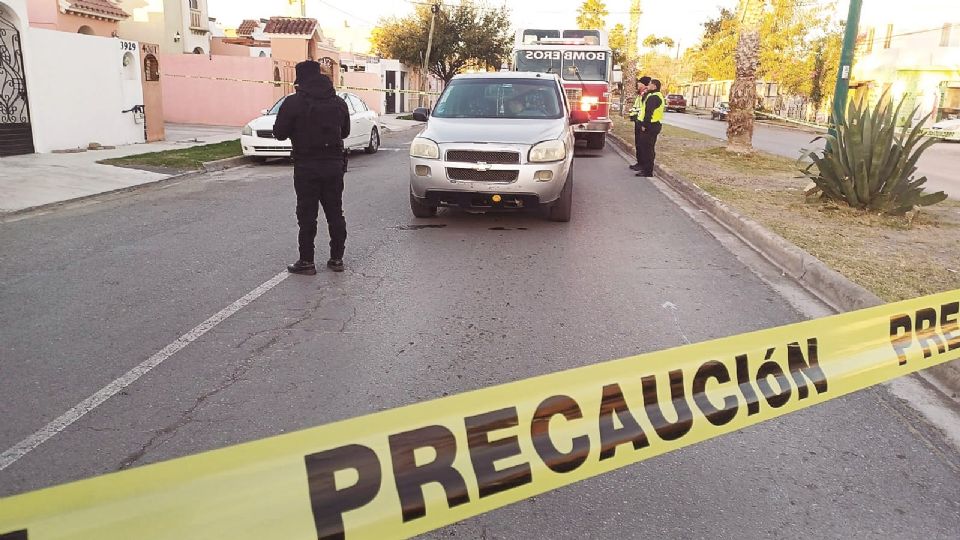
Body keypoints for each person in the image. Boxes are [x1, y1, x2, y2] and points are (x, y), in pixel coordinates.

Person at [273, 61, 351, 275]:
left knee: (307, 215)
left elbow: (279, 133)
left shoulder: (293, 103)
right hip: (333, 165)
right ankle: (337, 259)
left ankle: (307, 261)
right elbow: (345, 132)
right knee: (335, 212)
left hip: (306, 165)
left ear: (300, 80)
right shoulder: (338, 103)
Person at [635, 78, 665, 178]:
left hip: (651, 126)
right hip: (654, 125)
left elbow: (649, 113)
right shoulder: (655, 95)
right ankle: (646, 169)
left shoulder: (654, 97)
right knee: (646, 148)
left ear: (654, 86)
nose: (648, 86)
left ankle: (647, 171)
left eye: (650, 84)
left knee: (647, 149)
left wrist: (644, 125)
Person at [627, 76, 652, 171]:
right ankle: (639, 163)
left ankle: (642, 164)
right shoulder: (640, 94)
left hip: (642, 122)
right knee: (638, 144)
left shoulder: (646, 95)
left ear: (644, 84)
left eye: (639, 83)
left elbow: (645, 109)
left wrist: (643, 122)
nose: (637, 84)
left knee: (642, 144)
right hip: (637, 121)